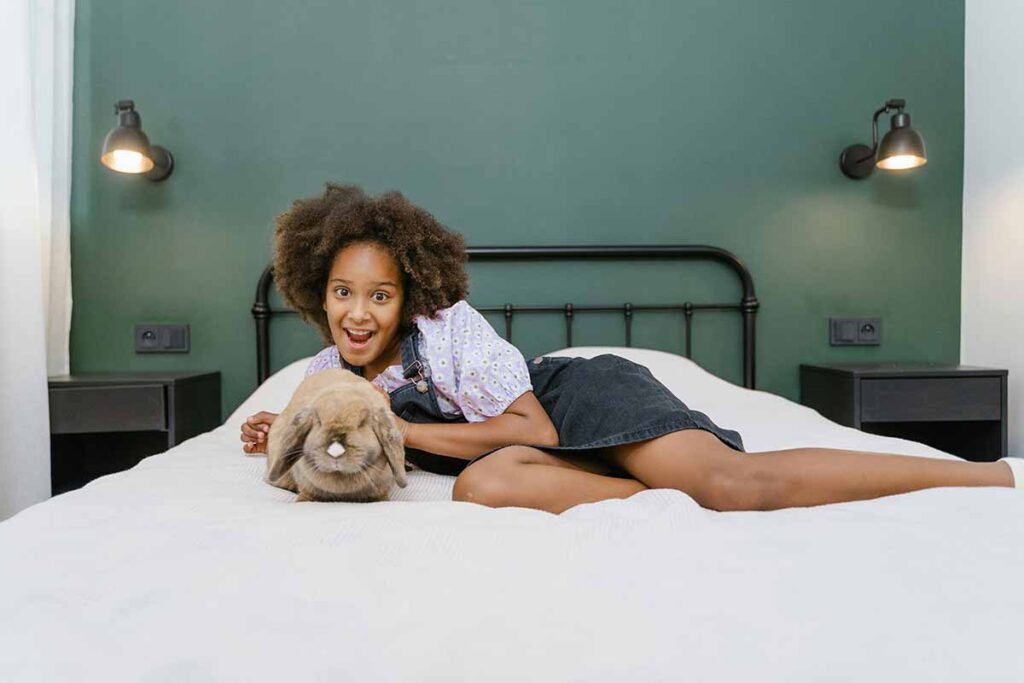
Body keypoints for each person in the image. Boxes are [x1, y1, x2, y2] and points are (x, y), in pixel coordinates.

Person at [241, 183, 1021, 514]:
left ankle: (987, 476)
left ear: (410, 294)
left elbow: (534, 429)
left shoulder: (450, 328)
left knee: (732, 485)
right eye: (343, 292)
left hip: (567, 405)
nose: (359, 312)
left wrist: (402, 427)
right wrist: (276, 429)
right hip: (513, 463)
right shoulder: (325, 373)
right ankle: (664, 498)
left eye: (380, 294)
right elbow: (325, 442)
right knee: (479, 488)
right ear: (317, 290)